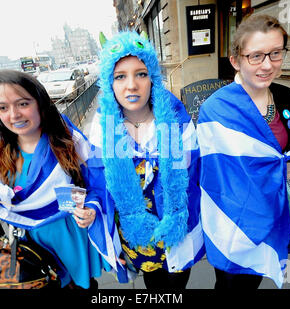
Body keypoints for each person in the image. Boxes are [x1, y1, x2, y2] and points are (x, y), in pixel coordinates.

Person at [0, 70, 110, 289]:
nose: (14, 115)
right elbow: (1, 201)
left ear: (39, 102)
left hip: (69, 237)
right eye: (3, 108)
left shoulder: (67, 141)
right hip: (32, 245)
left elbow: (94, 185)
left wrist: (91, 209)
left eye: (22, 104)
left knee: (82, 287)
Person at [198, 14, 290, 289]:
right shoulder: (215, 109)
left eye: (275, 53)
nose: (267, 65)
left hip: (273, 213)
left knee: (255, 282)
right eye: (256, 56)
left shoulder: (287, 97)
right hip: (233, 223)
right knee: (230, 285)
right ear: (236, 60)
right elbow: (208, 177)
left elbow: (288, 159)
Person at [87, 31, 204, 288]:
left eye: (141, 73)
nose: (131, 85)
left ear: (152, 77)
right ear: (109, 83)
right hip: (136, 234)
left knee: (175, 285)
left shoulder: (176, 118)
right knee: (153, 284)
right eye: (120, 76)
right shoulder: (102, 126)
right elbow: (95, 183)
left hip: (176, 231)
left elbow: (195, 176)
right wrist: (91, 209)